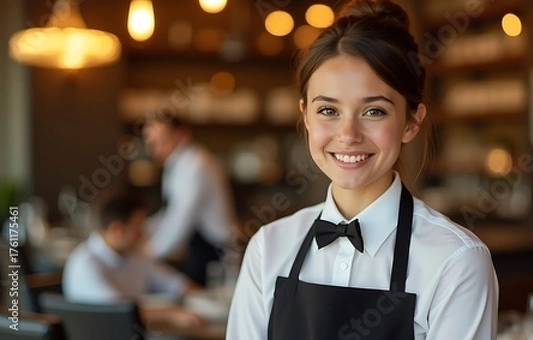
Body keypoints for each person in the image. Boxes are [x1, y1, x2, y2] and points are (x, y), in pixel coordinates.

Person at [226, 1, 499, 339]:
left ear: (412, 121)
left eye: (373, 112)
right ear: (306, 117)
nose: (348, 135)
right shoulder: (268, 248)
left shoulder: (456, 261)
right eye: (328, 110)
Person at [62, 192, 204, 330]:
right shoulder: (85, 263)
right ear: (117, 229)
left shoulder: (135, 256)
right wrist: (173, 315)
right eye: (138, 227)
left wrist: (206, 300)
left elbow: (176, 283)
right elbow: (119, 312)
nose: (144, 233)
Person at [142, 115, 238, 285]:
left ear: (182, 134)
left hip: (215, 250)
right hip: (198, 246)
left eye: (161, 141)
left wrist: (147, 254)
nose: (154, 150)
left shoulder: (196, 165)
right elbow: (168, 213)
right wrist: (140, 230)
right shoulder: (176, 164)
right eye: (151, 143)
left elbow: (181, 219)